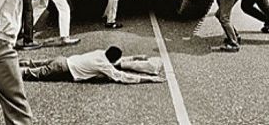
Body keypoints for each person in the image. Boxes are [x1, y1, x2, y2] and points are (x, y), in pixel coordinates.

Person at [20, 46, 165, 84]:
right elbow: (123, 77)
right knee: (31, 74)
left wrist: (136, 57)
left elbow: (120, 62)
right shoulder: (104, 65)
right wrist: (150, 79)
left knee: (33, 63)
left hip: (62, 59)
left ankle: (16, 60)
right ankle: (8, 71)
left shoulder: (100, 53)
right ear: (112, 61)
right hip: (63, 68)